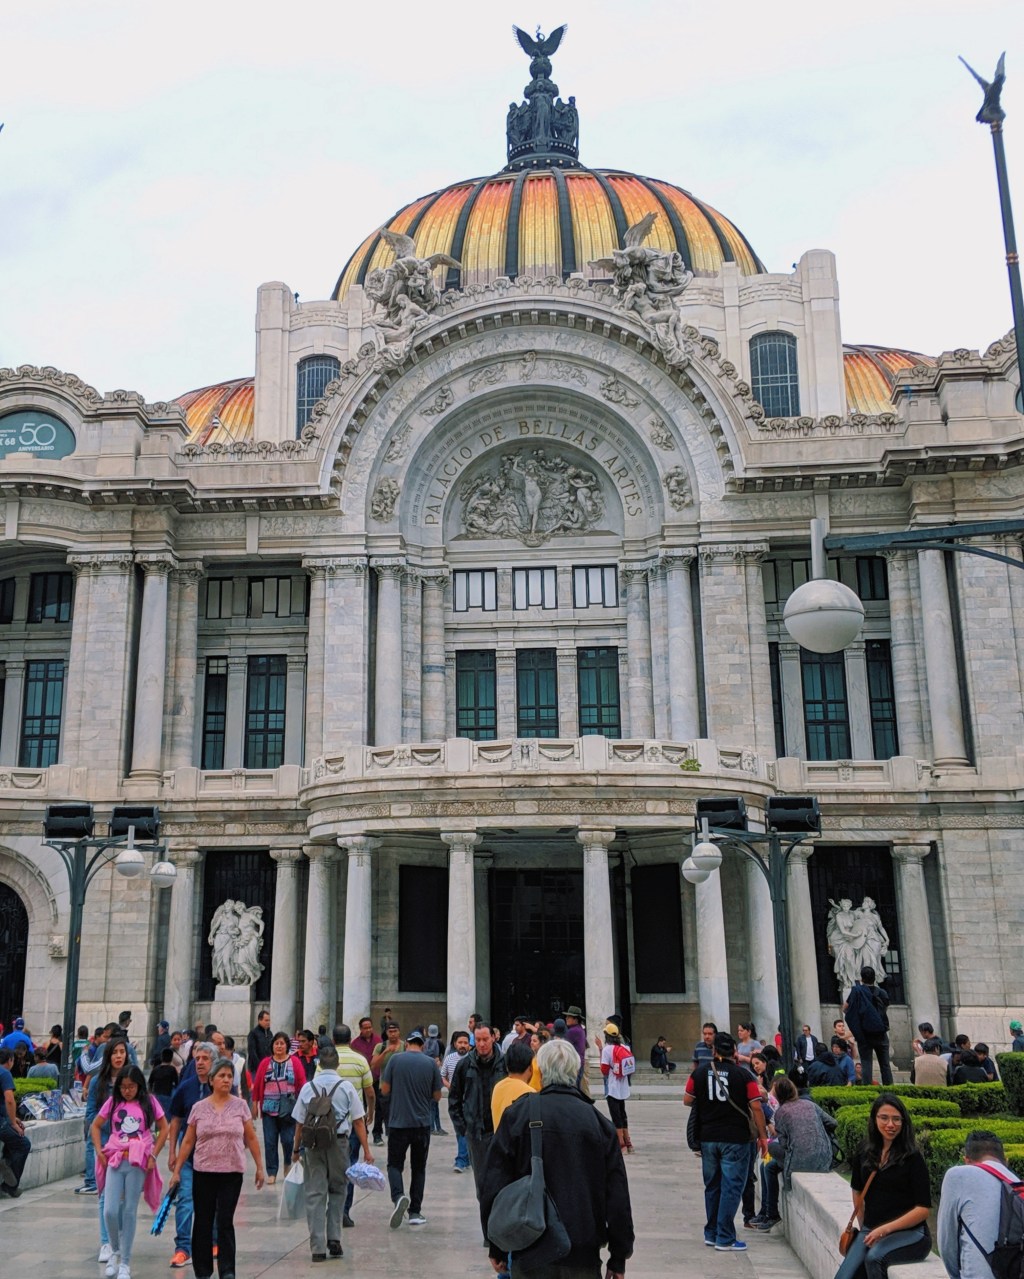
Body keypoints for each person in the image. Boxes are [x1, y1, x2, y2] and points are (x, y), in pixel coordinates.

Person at [479, 1038, 635, 1279]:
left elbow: (493, 1182)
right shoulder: (598, 1123)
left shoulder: (517, 1115)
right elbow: (617, 1196)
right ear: (574, 1071)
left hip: (530, 1245)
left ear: (539, 1069)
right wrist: (618, 1256)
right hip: (582, 1251)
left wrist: (496, 1243)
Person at [170, 1057, 265, 1279]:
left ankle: (227, 1270)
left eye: (229, 1076)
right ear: (211, 1080)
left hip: (231, 1172)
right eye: (221, 1076)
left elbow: (251, 1138)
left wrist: (260, 1166)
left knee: (224, 1221)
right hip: (203, 1171)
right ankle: (203, 1271)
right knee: (203, 1220)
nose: (226, 1080)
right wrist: (177, 1171)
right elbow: (188, 1141)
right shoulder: (199, 1108)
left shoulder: (240, 1106)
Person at [684, 1031, 767, 1253]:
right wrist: (762, 1136)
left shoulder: (700, 1073)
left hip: (708, 1137)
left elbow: (687, 1099)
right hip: (735, 1138)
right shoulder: (744, 1076)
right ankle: (726, 1236)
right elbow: (756, 1106)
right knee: (732, 1187)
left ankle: (711, 1233)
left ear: (714, 1051)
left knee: (713, 1186)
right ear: (735, 1053)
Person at [834, 1092, 931, 1279]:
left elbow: (923, 1210)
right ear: (874, 1119)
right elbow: (857, 1190)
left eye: (896, 1119)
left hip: (911, 1234)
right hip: (871, 1230)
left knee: (874, 1259)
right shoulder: (864, 1151)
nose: (890, 1125)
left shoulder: (912, 1157)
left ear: (904, 1123)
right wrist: (866, 1227)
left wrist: (885, 1229)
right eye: (884, 1118)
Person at [292, 1042, 372, 1260]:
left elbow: (299, 1122)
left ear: (319, 1063)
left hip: (313, 1144)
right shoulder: (345, 1087)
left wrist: (295, 1150)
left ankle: (317, 1247)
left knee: (315, 1193)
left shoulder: (309, 1088)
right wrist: (366, 1150)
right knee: (338, 1189)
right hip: (339, 1143)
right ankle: (334, 1238)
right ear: (336, 1064)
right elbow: (358, 1121)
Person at [92, 1065, 169, 1279]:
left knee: (129, 1210)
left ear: (139, 1086)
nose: (127, 1091)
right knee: (109, 1209)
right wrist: (99, 1150)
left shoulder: (149, 1102)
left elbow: (165, 1127)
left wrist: (153, 1154)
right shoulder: (113, 1102)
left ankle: (125, 1261)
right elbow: (95, 1125)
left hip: (137, 1161)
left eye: (131, 1086)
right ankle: (115, 1251)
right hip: (115, 1158)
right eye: (124, 1087)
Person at [751, 1076, 836, 1230]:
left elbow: (784, 1144)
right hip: (824, 1157)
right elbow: (832, 1123)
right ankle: (766, 1212)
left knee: (769, 1162)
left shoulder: (781, 1113)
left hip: (798, 1160)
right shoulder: (810, 1105)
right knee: (768, 1165)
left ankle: (771, 1213)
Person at [166, 1042, 221, 1270]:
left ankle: (214, 1241)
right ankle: (183, 1248)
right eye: (197, 1058)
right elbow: (176, 1119)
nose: (199, 1062)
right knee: (185, 1201)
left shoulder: (221, 1089)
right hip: (189, 1156)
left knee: (214, 1202)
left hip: (214, 1156)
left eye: (205, 1059)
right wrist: (172, 1153)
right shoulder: (186, 1087)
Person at [380, 1029, 443, 1229]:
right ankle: (415, 1211)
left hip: (398, 1122)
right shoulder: (430, 1063)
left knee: (394, 1165)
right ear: (422, 1045)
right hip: (422, 1125)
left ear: (407, 1043)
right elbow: (437, 1096)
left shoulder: (395, 1060)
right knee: (419, 1168)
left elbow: (384, 1090)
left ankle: (398, 1196)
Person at [938, 1129, 1019, 1279]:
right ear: (1005, 1161)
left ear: (967, 1161)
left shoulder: (958, 1175)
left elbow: (946, 1245)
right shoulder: (1016, 1183)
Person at [448, 1024, 508, 1210]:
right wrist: (463, 1129)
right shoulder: (465, 1065)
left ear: (493, 1038)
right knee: (482, 1185)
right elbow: (454, 1099)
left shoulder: (505, 1064)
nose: (482, 1044)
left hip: (501, 1132)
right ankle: (487, 1230)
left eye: (485, 1039)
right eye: (478, 1040)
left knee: (503, 1182)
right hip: (476, 1134)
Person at [319, 1024, 373, 1229]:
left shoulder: (324, 1063)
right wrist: (371, 1112)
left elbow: (316, 1089)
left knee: (327, 1168)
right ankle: (343, 1211)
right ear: (351, 1039)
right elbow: (369, 1091)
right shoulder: (360, 1060)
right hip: (350, 1124)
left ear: (333, 1039)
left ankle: (331, 1208)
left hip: (325, 1124)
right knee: (349, 1168)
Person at [88, 1037, 132, 1259]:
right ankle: (106, 1242)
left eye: (122, 1052)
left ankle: (120, 1236)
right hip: (106, 1146)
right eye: (114, 1052)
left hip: (128, 1148)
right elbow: (91, 1115)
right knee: (105, 1196)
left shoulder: (133, 1080)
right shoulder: (98, 1082)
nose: (118, 1056)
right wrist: (97, 1147)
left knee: (124, 1197)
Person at [251, 1031, 307, 1184]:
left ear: (287, 1046)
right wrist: (255, 1104)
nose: (279, 1046)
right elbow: (257, 1086)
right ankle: (272, 1171)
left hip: (288, 1109)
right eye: (277, 1043)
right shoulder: (265, 1063)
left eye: (282, 1043)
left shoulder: (294, 1062)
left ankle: (288, 1163)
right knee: (270, 1141)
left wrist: (302, 1104)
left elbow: (302, 1084)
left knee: (288, 1140)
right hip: (269, 1108)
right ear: (272, 1046)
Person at [845, 966, 893, 1085]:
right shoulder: (882, 992)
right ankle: (890, 1090)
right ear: (874, 978)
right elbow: (885, 1008)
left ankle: (868, 1089)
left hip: (864, 1034)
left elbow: (845, 1008)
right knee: (885, 1065)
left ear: (861, 978)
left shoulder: (857, 991)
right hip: (881, 1033)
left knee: (866, 1064)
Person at [0, 1047, 30, 1197]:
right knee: (23, 1144)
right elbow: (9, 1100)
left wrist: (13, 1118)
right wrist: (12, 1123)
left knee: (11, 1143)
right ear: (10, 1060)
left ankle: (5, 1162)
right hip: (1, 1124)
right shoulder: (5, 1073)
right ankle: (10, 1185)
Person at [600, 1023, 635, 1154]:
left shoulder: (607, 1050)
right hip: (623, 1087)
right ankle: (629, 1142)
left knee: (616, 1116)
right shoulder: (625, 1047)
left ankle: (621, 1144)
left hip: (612, 1087)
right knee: (623, 1114)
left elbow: (604, 1070)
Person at [442, 1031, 473, 1173]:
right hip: (455, 1100)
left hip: (470, 1099)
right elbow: (442, 1076)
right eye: (460, 1042)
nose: (463, 1045)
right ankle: (465, 1159)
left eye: (465, 1043)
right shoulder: (449, 1059)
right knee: (460, 1129)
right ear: (455, 1044)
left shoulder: (473, 1059)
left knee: (466, 1130)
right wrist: (451, 1088)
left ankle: (462, 1160)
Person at [370, 1021, 405, 1145]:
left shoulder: (405, 1046)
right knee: (381, 1112)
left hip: (401, 1087)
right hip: (384, 1086)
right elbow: (374, 1065)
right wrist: (385, 1052)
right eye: (390, 1032)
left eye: (395, 1031)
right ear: (386, 1033)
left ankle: (394, 1136)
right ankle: (377, 1134)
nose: (393, 1034)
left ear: (399, 1032)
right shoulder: (381, 1046)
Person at [490, 1041, 535, 1131]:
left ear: (507, 1066)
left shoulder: (498, 1087)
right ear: (530, 1067)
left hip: (498, 1142)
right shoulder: (530, 1093)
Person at [149, 1049, 180, 1117]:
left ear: (161, 1057)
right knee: (166, 1117)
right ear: (171, 1058)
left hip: (156, 1095)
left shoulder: (155, 1069)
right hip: (168, 1095)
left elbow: (150, 1082)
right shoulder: (172, 1069)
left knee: (157, 1115)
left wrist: (151, 1093)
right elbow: (177, 1083)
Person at [246, 1011, 273, 1078]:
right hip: (256, 1068)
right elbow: (252, 1052)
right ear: (259, 1020)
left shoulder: (270, 1033)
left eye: (269, 1020)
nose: (268, 1022)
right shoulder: (253, 1033)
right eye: (266, 1020)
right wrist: (260, 1066)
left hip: (268, 1067)